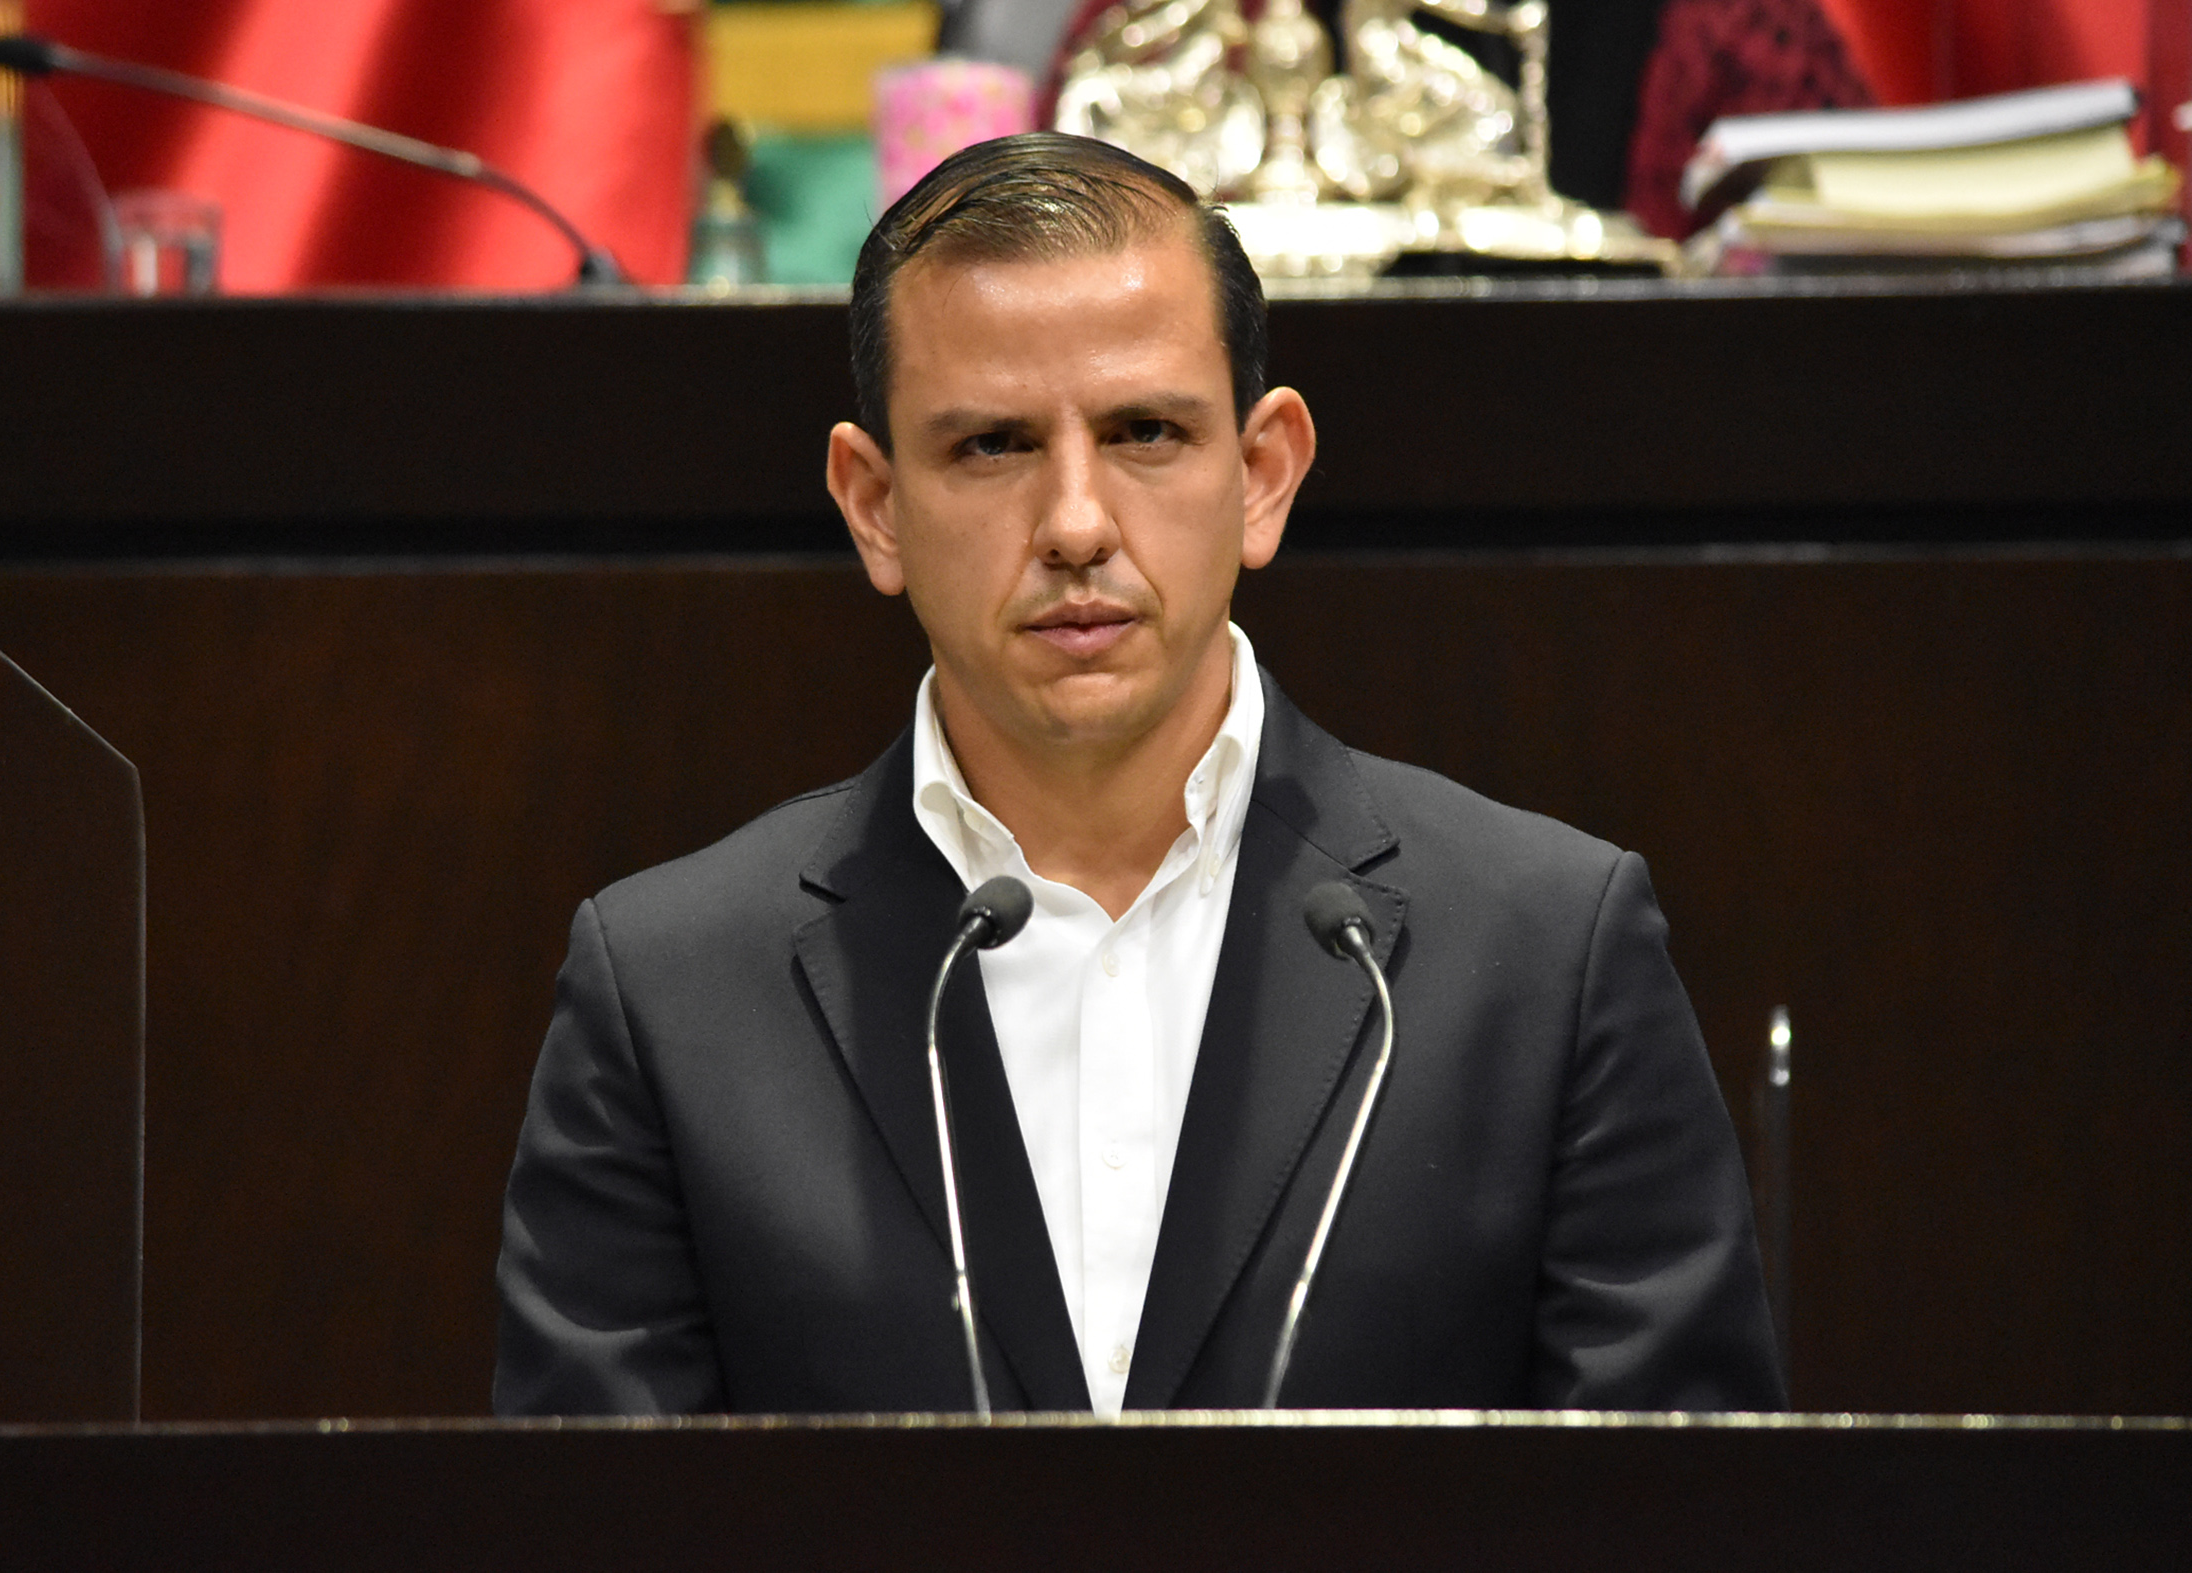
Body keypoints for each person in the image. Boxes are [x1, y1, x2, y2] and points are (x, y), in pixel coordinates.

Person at [494, 131, 1783, 1416]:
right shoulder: (669, 991)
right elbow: (592, 1513)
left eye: (1146, 432)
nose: (1075, 525)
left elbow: (1682, 1503)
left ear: (1262, 475)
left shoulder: (1546, 949)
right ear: (874, 505)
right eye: (992, 446)